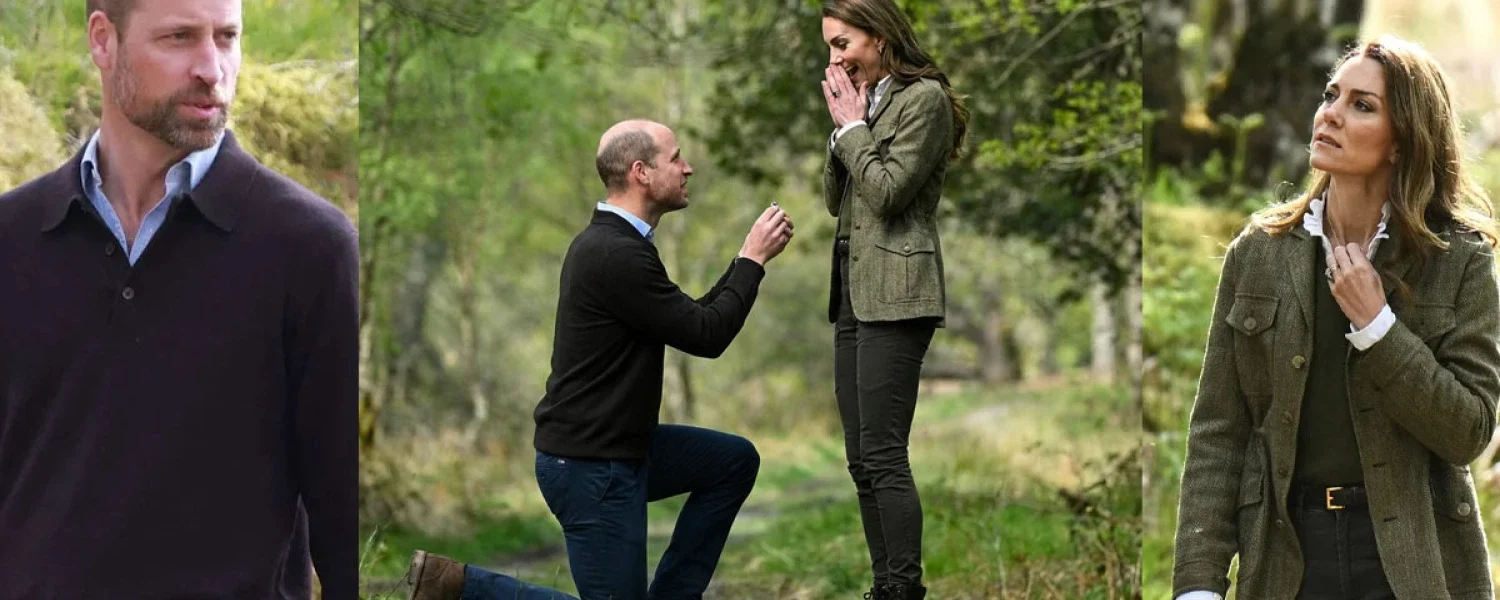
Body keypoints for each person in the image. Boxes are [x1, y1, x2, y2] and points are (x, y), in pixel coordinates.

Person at [0, 0, 358, 598]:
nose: (212, 68)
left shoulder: (309, 248)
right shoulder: (11, 239)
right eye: (179, 38)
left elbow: (340, 509)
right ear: (102, 40)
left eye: (227, 37)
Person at [405, 120, 794, 600]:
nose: (687, 167)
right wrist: (752, 261)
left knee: (731, 462)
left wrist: (743, 262)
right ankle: (462, 588)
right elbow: (706, 335)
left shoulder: (621, 245)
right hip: (591, 466)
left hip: (620, 450)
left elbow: (691, 319)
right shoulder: (614, 254)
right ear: (641, 173)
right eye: (675, 158)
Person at [1173, 37, 1498, 599]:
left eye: (1362, 105)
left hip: (1414, 564)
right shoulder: (1258, 252)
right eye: (1331, 95)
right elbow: (1218, 433)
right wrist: (1197, 586)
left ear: (1402, 142)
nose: (1330, 115)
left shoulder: (1461, 259)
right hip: (1285, 560)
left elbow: (1468, 432)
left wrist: (1379, 328)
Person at [818, 1, 968, 598]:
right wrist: (842, 128)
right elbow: (837, 198)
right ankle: (884, 587)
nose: (835, 59)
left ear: (880, 38)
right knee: (860, 460)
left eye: (843, 44)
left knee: (883, 455)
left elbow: (886, 194)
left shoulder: (923, 101)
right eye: (829, 46)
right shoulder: (864, 102)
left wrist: (853, 130)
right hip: (853, 291)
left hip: (899, 295)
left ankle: (903, 590)